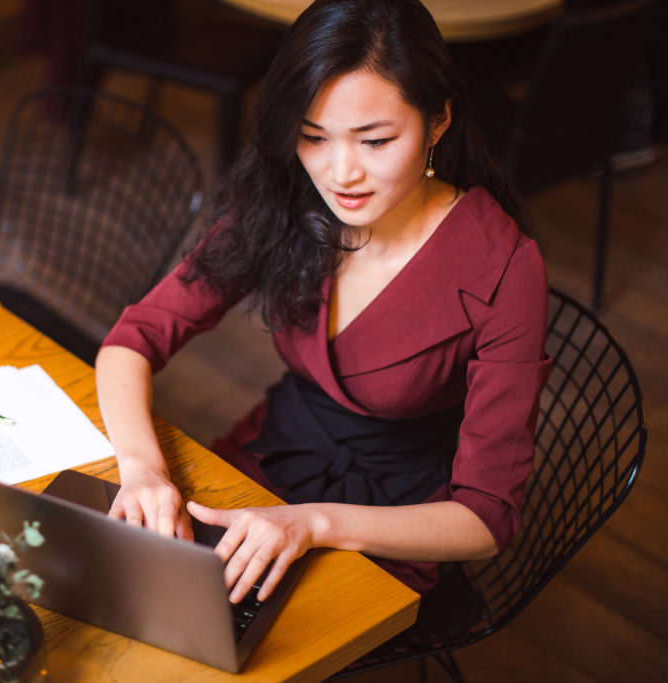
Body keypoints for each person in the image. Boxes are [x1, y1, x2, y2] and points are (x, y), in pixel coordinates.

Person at [95, 0, 551, 608]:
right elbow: (135, 337)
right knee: (132, 594)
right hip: (269, 455)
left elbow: (484, 519)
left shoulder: (505, 267)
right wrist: (142, 469)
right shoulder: (288, 196)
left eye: (376, 141)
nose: (341, 174)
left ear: (438, 120)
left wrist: (313, 524)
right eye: (313, 137)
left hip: (390, 521)